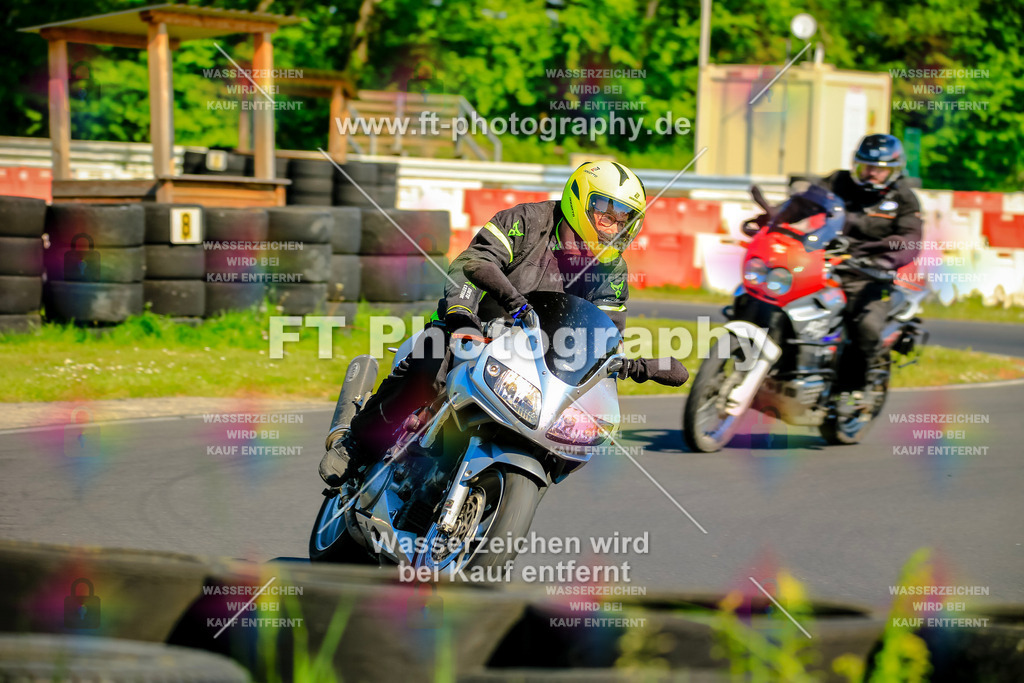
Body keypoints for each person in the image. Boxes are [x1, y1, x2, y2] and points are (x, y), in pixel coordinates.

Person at [319, 161, 686, 485]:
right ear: (580, 200)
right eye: (607, 216)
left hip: (536, 357)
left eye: (624, 221)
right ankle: (356, 443)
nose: (613, 229)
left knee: (569, 427)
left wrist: (616, 364)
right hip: (473, 325)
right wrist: (463, 318)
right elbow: (472, 263)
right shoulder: (526, 221)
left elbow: (605, 331)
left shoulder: (613, 270)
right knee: (431, 363)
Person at [818, 134, 923, 409]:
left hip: (870, 275)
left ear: (894, 169)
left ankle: (851, 389)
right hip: (824, 262)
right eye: (866, 167)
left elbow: (910, 240)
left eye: (879, 169)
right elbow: (804, 203)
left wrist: (886, 263)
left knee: (866, 325)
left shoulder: (904, 199)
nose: (871, 174)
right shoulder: (837, 182)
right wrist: (775, 217)